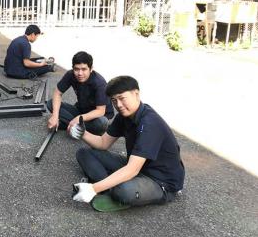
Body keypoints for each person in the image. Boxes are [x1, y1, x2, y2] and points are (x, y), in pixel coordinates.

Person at [72, 76, 185, 211]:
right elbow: (103, 143)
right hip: (137, 166)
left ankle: (110, 188)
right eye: (114, 100)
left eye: (122, 98)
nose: (118, 105)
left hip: (160, 180)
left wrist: (93, 188)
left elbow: (132, 169)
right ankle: (110, 187)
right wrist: (83, 133)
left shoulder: (150, 123)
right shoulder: (123, 117)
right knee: (84, 153)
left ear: (136, 94)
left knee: (123, 190)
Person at [46, 51, 113, 136]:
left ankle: (68, 123)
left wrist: (78, 118)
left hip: (96, 116)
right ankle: (76, 126)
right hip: (81, 110)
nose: (80, 73)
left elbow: (100, 111)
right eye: (76, 69)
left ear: (91, 68)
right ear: (73, 68)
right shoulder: (70, 74)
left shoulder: (99, 83)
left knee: (102, 123)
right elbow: (57, 93)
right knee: (50, 103)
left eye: (84, 69)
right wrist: (55, 116)